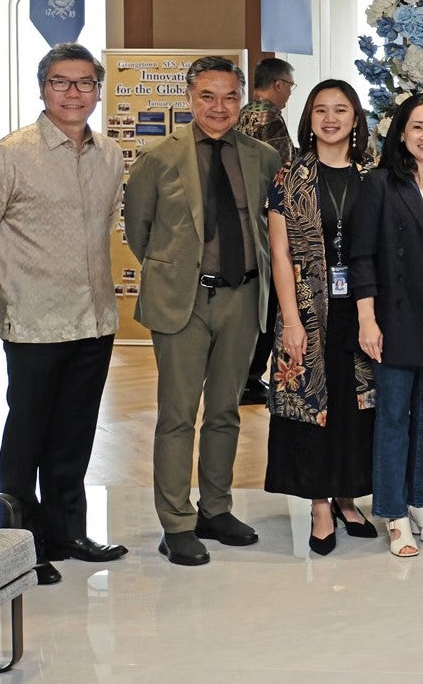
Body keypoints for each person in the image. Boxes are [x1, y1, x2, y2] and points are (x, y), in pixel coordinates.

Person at [0, 44, 127, 587]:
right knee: (27, 436)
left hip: (94, 319)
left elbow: (106, 223)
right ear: (42, 88)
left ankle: (67, 533)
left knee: (74, 435)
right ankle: (21, 547)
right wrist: (4, 284)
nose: (73, 93)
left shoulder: (110, 154)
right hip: (34, 321)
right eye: (60, 82)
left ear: (97, 91)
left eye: (84, 83)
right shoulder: (9, 155)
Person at [124, 55, 282, 567]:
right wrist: (180, 272)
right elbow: (139, 233)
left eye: (230, 96)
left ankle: (216, 508)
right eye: (208, 96)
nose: (219, 107)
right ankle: (176, 521)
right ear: (190, 97)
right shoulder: (157, 158)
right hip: (183, 301)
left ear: (242, 100)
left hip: (243, 298)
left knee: (225, 412)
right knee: (177, 415)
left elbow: (267, 229)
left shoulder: (261, 157)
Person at [351, 92, 423, 557]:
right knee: (394, 413)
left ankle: (422, 504)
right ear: (401, 133)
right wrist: (367, 318)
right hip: (395, 312)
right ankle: (393, 512)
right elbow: (362, 256)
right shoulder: (380, 184)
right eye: (417, 127)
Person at [263, 80, 378, 555]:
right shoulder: (290, 176)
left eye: (341, 110)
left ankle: (347, 497)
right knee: (312, 405)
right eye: (321, 110)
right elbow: (280, 253)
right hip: (307, 310)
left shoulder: (373, 174)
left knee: (356, 405)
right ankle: (319, 505)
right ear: (309, 118)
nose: (331, 119)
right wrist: (291, 320)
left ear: (355, 119)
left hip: (364, 308)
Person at [239, 57, 297, 404]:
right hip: (267, 220)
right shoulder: (271, 117)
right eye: (290, 86)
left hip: (243, 220)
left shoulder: (243, 113)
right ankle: (251, 378)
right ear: (278, 84)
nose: (289, 93)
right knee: (271, 302)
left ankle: (242, 375)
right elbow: (284, 170)